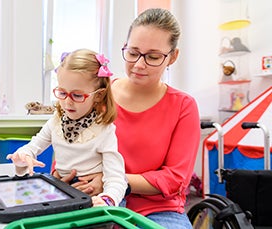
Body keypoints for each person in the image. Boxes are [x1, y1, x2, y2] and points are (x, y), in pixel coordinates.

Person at [55, 8, 201, 228]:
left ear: (172, 57)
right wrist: (63, 176)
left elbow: (175, 178)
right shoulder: (98, 95)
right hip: (91, 199)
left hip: (156, 210)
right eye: (133, 53)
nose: (139, 64)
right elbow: (67, 142)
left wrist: (114, 180)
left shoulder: (183, 106)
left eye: (152, 57)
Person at [6, 49, 128, 207]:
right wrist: (23, 156)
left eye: (77, 96)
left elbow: (117, 178)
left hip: (96, 196)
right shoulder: (56, 122)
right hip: (64, 190)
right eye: (62, 93)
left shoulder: (104, 130)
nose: (67, 103)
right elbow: (34, 146)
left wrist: (107, 199)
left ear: (98, 95)